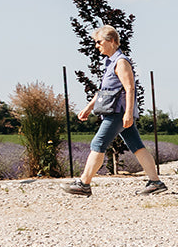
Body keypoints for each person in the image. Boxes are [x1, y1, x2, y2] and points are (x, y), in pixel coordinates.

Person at [62, 26, 167, 196]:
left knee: (98, 144)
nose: (97, 45)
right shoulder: (110, 62)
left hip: (118, 113)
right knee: (137, 146)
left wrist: (128, 113)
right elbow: (105, 90)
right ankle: (155, 182)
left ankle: (84, 184)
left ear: (111, 41)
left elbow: (130, 88)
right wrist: (88, 108)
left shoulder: (121, 62)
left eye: (99, 42)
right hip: (116, 112)